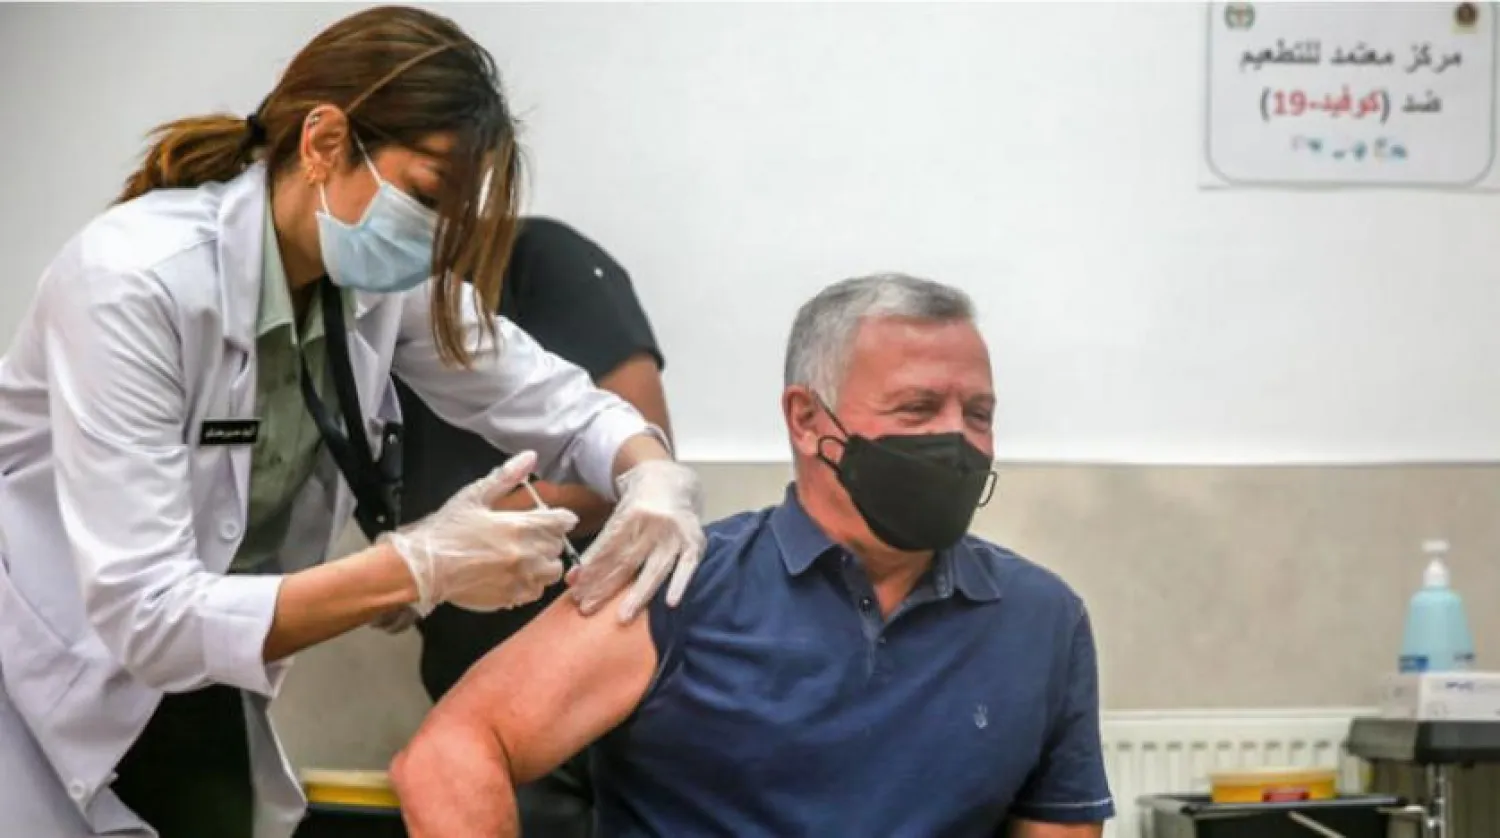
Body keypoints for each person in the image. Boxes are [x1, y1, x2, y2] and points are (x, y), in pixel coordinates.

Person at [0, 7, 705, 838]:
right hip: (48, 680)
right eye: (426, 195)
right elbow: (148, 614)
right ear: (324, 140)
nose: (437, 235)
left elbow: (557, 400)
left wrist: (649, 470)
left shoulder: (373, 288)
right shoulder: (133, 283)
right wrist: (419, 565)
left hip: (198, 688)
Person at [391, 273, 1116, 838]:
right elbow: (450, 753)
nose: (957, 439)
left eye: (978, 413)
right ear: (807, 420)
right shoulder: (678, 585)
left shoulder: (1041, 623)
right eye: (918, 409)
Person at [393, 216, 672, 838]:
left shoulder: (534, 261)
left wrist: (440, 547)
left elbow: (634, 452)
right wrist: (404, 566)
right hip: (466, 670)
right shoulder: (366, 305)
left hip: (581, 669)